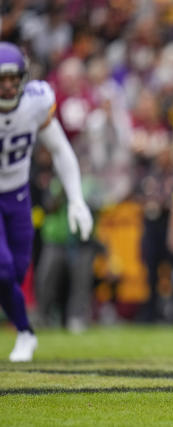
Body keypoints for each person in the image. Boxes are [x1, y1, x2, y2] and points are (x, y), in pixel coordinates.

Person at [0, 42, 93, 361]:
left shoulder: (36, 102)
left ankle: (24, 330)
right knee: (3, 268)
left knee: (17, 271)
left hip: (19, 196)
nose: (9, 85)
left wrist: (77, 199)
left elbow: (60, 150)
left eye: (14, 78)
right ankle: (25, 332)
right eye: (2, 79)